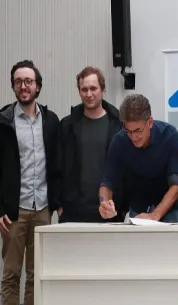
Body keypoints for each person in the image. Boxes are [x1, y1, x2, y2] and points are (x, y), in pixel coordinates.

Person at [0, 60, 60, 305]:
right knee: (11, 274)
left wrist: (58, 202)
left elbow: (57, 165)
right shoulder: (3, 123)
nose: (24, 86)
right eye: (18, 81)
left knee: (36, 273)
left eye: (29, 81)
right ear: (13, 86)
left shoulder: (50, 121)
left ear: (38, 86)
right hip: (14, 212)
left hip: (43, 209)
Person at [99, 94, 178, 223]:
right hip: (138, 207)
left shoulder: (169, 135)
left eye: (138, 131)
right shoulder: (119, 141)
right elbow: (107, 182)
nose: (133, 137)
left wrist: (155, 215)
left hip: (169, 209)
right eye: (128, 131)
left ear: (150, 122)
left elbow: (176, 184)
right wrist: (104, 203)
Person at [57, 67, 124, 223]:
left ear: (103, 89)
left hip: (110, 211)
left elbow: (126, 167)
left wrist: (122, 207)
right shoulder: (67, 125)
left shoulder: (119, 125)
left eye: (93, 88)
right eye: (84, 89)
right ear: (79, 91)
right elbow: (57, 166)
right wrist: (59, 205)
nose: (88, 94)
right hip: (74, 212)